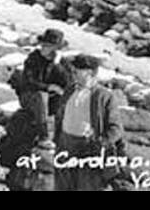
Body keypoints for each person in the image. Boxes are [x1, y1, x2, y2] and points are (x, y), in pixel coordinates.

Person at [53, 54, 123, 191]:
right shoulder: (69, 90)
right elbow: (60, 116)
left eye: (77, 70)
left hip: (87, 150)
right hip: (65, 146)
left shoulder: (105, 97)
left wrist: (100, 143)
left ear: (90, 72)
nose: (73, 72)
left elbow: (116, 128)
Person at [11, 28, 70, 141]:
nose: (43, 48)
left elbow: (68, 82)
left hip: (52, 100)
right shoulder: (33, 58)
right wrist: (47, 87)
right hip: (30, 96)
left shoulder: (61, 62)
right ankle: (44, 135)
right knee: (41, 95)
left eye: (47, 46)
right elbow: (29, 81)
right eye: (43, 45)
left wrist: (56, 65)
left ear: (55, 49)